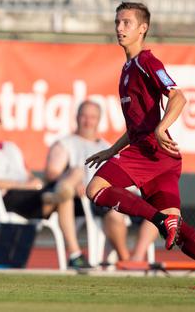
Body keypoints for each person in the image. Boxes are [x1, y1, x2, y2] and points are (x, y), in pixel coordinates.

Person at [85, 2, 195, 289]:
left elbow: (178, 96)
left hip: (150, 151)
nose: (119, 28)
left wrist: (162, 126)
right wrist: (111, 150)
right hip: (161, 157)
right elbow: (135, 127)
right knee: (174, 229)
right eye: (117, 22)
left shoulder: (146, 61)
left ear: (143, 28)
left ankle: (161, 222)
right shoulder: (128, 68)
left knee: (95, 189)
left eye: (126, 23)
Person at [46, 100, 158, 269]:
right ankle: (125, 259)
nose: (88, 121)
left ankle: (137, 258)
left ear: (98, 120)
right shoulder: (65, 144)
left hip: (117, 192)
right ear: (76, 117)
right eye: (84, 116)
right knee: (115, 214)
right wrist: (73, 185)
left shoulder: (107, 147)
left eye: (92, 117)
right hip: (92, 198)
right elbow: (53, 174)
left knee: (158, 211)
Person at [0, 105, 72, 223]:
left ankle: (59, 195)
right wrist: (24, 185)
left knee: (70, 184)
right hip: (6, 199)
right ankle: (56, 197)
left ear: (1, 124)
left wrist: (35, 183)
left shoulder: (11, 148)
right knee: (62, 197)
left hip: (31, 194)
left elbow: (28, 176)